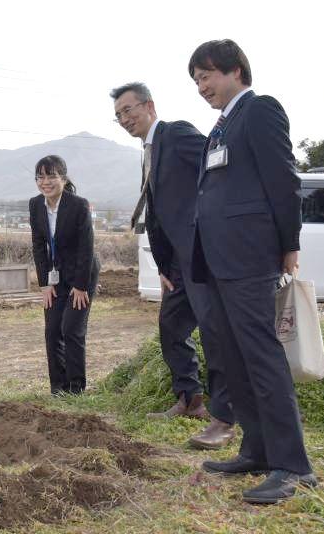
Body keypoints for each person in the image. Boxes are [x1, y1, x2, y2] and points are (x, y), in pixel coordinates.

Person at [188, 39, 317, 504]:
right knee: (233, 357)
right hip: (218, 260)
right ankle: (258, 449)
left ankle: (293, 466)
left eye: (208, 76)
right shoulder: (222, 125)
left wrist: (289, 244)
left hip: (249, 256)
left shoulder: (260, 110)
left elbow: (284, 179)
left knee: (261, 357)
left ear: (236, 70)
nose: (202, 87)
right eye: (197, 80)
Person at [111, 82, 235, 449]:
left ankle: (224, 415)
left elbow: (216, 166)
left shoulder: (176, 133)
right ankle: (190, 399)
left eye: (129, 110)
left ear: (149, 105)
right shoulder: (149, 151)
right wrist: (164, 264)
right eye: (118, 115)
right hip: (178, 262)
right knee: (171, 325)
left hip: (200, 252)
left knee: (213, 332)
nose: (124, 119)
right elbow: (160, 208)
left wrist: (209, 223)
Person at [29, 155, 99, 396]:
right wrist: (44, 284)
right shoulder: (35, 204)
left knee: (71, 329)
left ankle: (76, 387)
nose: (45, 182)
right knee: (52, 330)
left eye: (51, 176)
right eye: (40, 176)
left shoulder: (78, 205)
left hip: (83, 273)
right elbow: (38, 245)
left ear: (63, 178)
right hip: (55, 275)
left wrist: (80, 286)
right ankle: (58, 387)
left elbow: (86, 248)